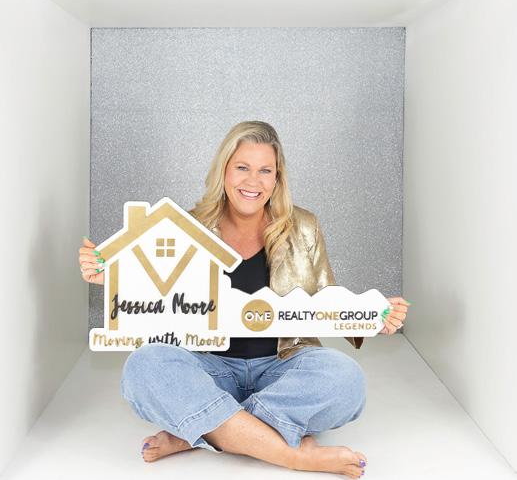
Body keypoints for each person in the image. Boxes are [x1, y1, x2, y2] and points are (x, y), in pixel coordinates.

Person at [78, 121, 409, 478]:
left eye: (265, 171)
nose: (253, 181)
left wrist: (373, 317)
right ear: (223, 171)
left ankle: (203, 430)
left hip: (282, 366)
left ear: (277, 178)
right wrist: (115, 276)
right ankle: (292, 454)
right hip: (209, 366)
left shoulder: (304, 226)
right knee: (143, 367)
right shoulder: (188, 226)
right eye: (242, 168)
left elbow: (327, 299)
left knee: (347, 380)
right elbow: (155, 288)